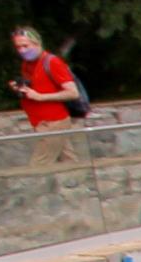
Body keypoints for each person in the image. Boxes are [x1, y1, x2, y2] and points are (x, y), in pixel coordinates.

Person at [7, 26, 84, 164]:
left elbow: (73, 92)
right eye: (18, 47)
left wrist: (41, 97)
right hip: (41, 121)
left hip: (53, 122)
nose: (22, 50)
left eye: (25, 46)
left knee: (39, 165)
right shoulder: (27, 64)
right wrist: (20, 88)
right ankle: (80, 177)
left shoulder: (52, 62)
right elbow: (35, 87)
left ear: (37, 43)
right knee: (69, 161)